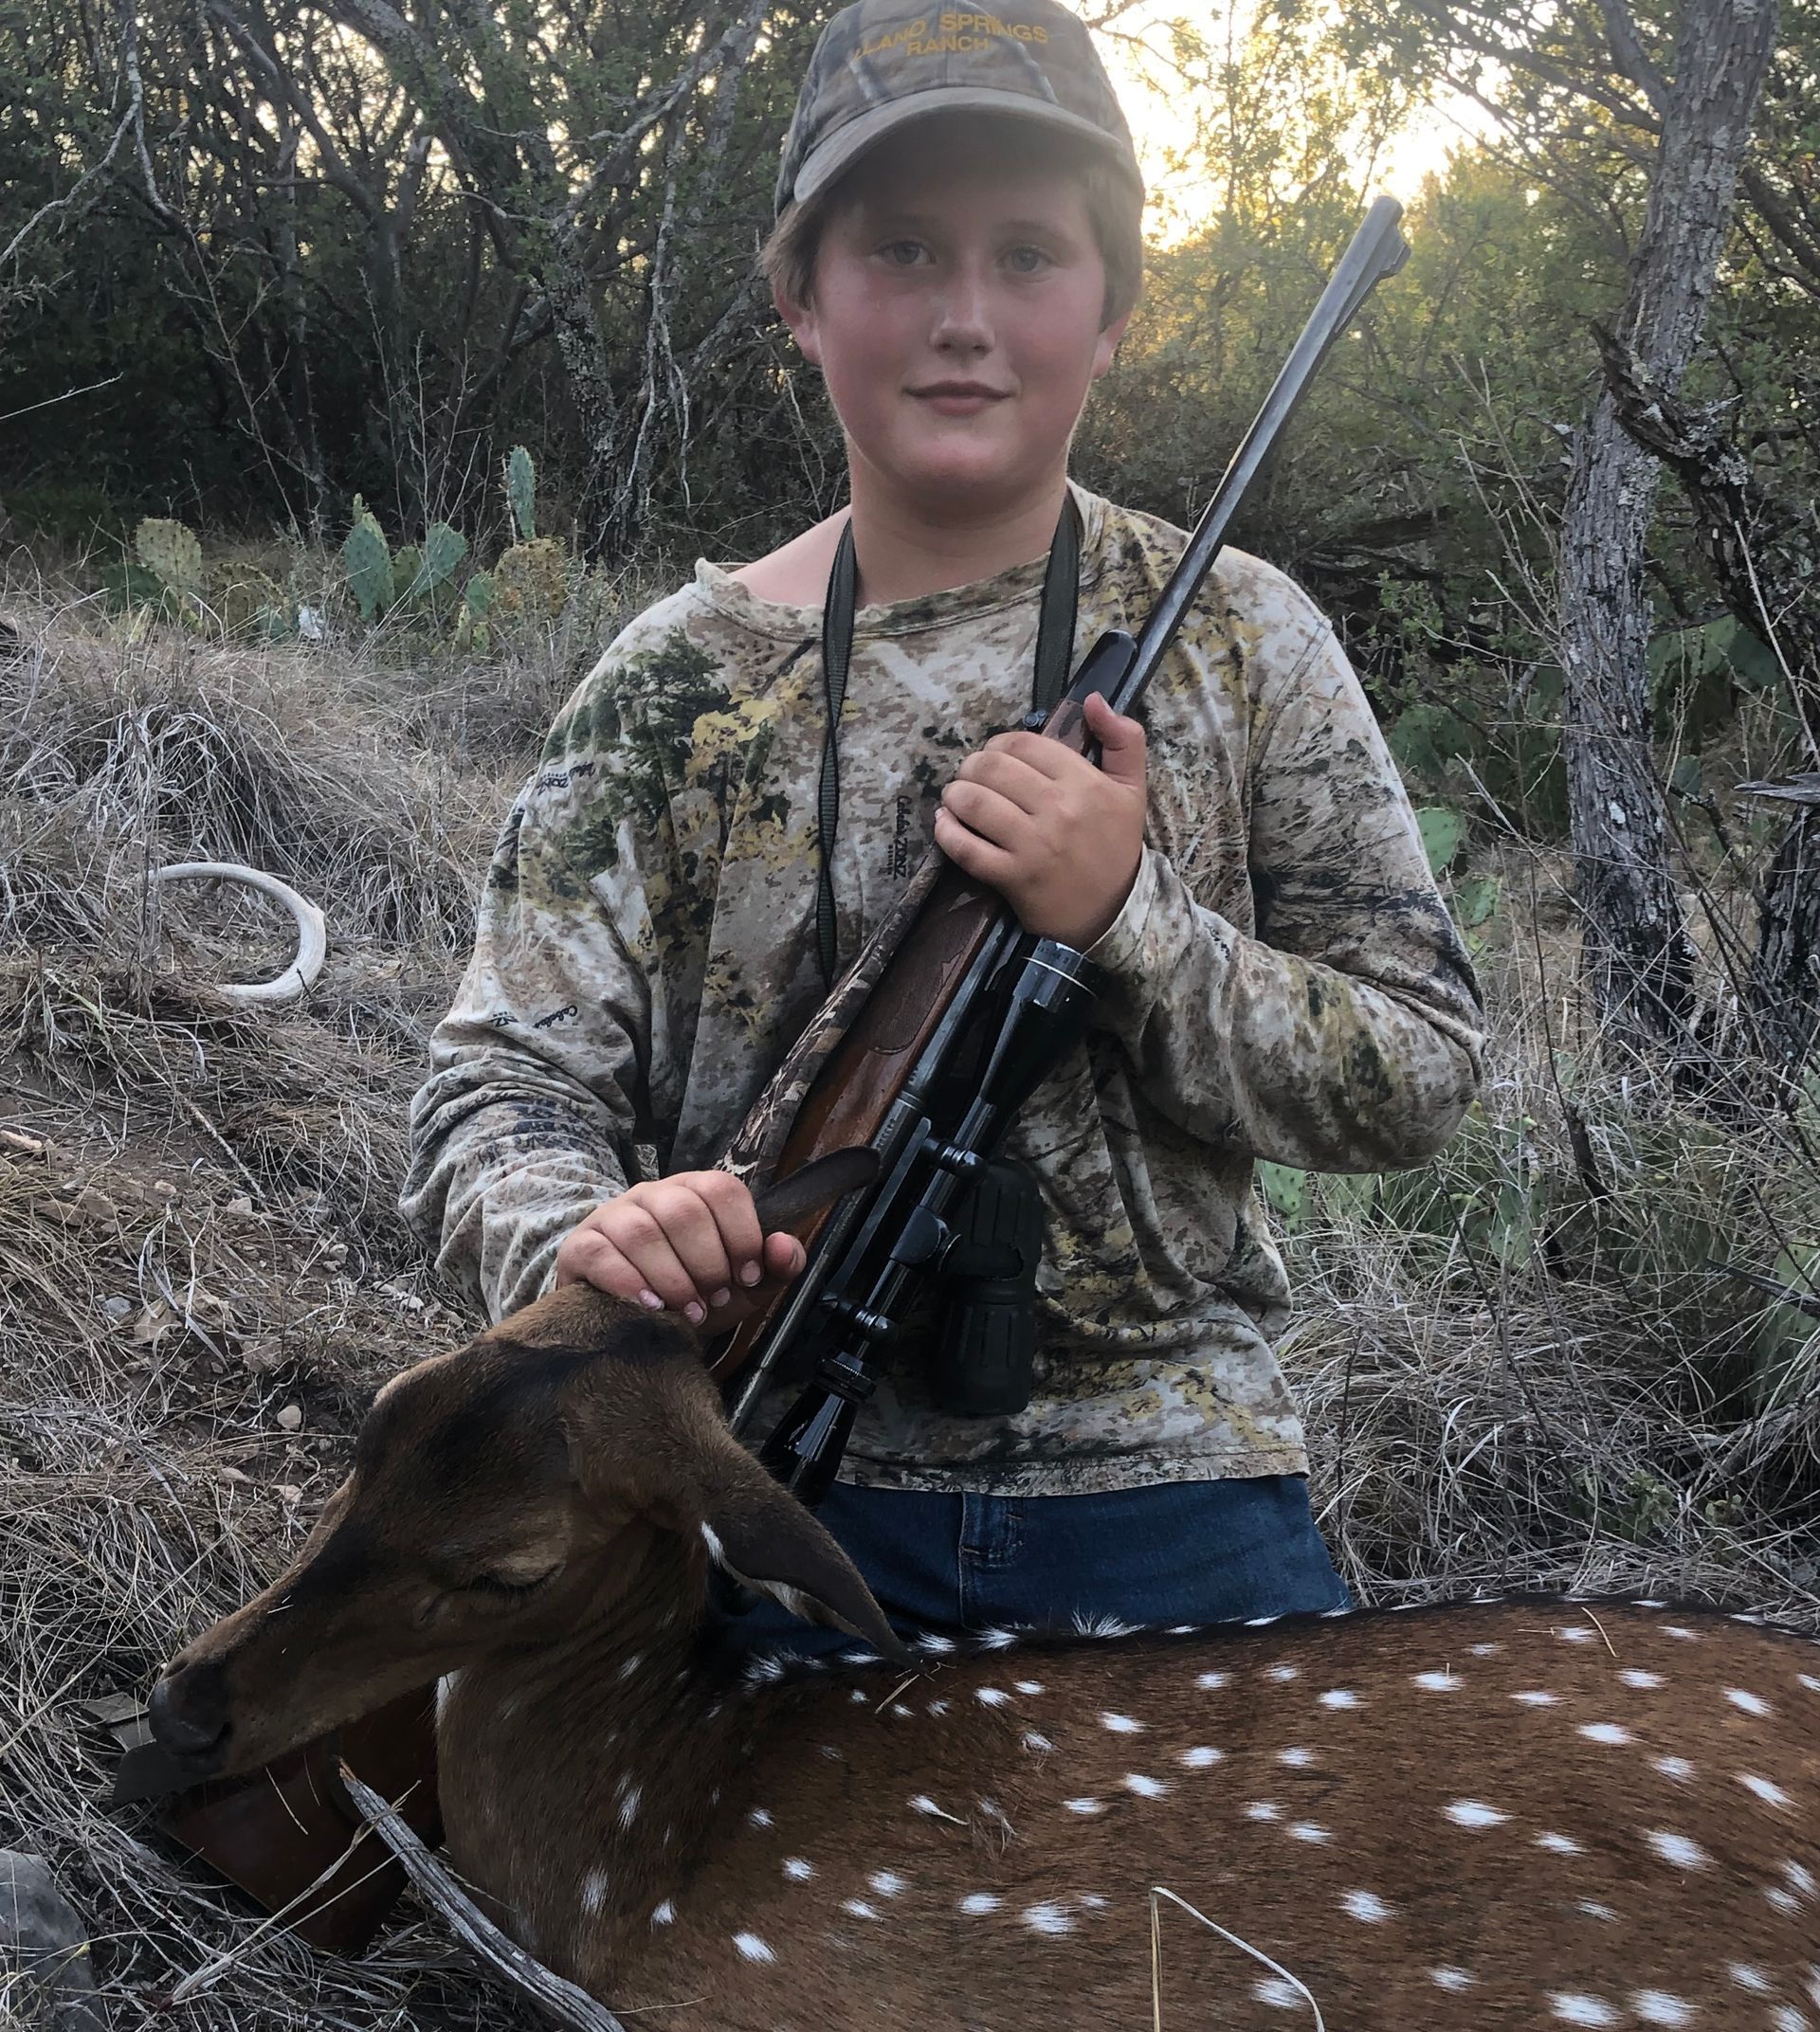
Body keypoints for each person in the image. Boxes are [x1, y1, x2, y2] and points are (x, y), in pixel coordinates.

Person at [399, 0, 1484, 1643]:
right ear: (799, 297)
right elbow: (496, 1082)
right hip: (743, 1472)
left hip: (1173, 1483)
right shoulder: (672, 685)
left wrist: (1132, 921)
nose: (965, 318)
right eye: (901, 249)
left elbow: (1419, 1073)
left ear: (1114, 310)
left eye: (1029, 255)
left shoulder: (1249, 638)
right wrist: (593, 1241)